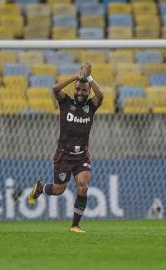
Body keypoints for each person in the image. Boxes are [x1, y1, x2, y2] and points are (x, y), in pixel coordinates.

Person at [29, 62, 104, 233]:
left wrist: (88, 78)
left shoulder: (91, 106)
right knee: (58, 190)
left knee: (83, 185)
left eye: (84, 90)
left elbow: (101, 95)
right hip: (64, 155)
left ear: (88, 92)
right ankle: (40, 188)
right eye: (78, 89)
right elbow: (55, 89)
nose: (80, 92)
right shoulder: (65, 103)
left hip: (82, 155)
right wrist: (75, 77)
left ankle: (75, 225)